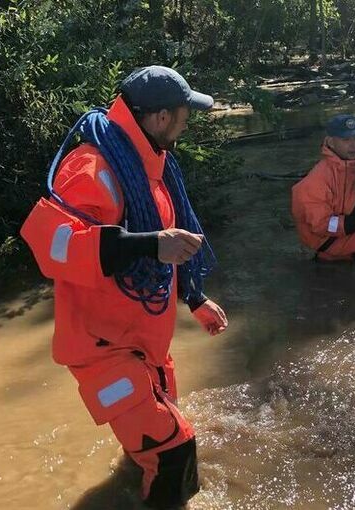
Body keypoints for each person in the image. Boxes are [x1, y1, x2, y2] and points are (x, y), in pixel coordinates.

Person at [20, 65, 228, 509]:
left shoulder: (153, 167)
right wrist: (150, 244)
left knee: (148, 449)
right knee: (175, 453)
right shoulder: (91, 169)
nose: (188, 121)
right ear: (158, 119)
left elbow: (168, 250)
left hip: (143, 343)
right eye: (184, 112)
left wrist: (195, 297)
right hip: (104, 350)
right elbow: (49, 246)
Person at [291, 113, 355, 262]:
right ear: (330, 142)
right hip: (334, 264)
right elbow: (322, 225)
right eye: (346, 140)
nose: (354, 145)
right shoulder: (313, 183)